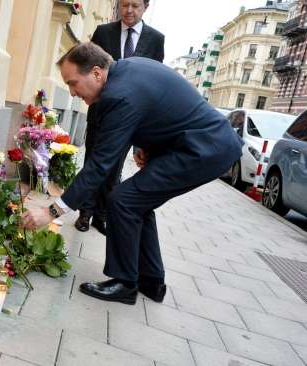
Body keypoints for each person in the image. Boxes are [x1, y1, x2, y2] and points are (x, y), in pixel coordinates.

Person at [22, 42, 242, 305]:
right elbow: (156, 105)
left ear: (96, 73)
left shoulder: (119, 95)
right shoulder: (125, 71)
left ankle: (125, 282)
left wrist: (51, 212)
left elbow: (100, 165)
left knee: (123, 200)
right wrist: (144, 146)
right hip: (199, 143)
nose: (71, 92)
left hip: (203, 149)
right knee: (136, 201)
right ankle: (151, 281)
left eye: (73, 83)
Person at [76, 0, 165, 235]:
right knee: (93, 162)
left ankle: (101, 215)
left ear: (146, 7)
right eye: (125, 4)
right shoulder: (104, 32)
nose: (129, 11)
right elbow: (88, 68)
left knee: (114, 168)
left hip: (129, 119)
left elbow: (153, 81)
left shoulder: (156, 39)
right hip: (100, 113)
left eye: (135, 6)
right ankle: (85, 212)